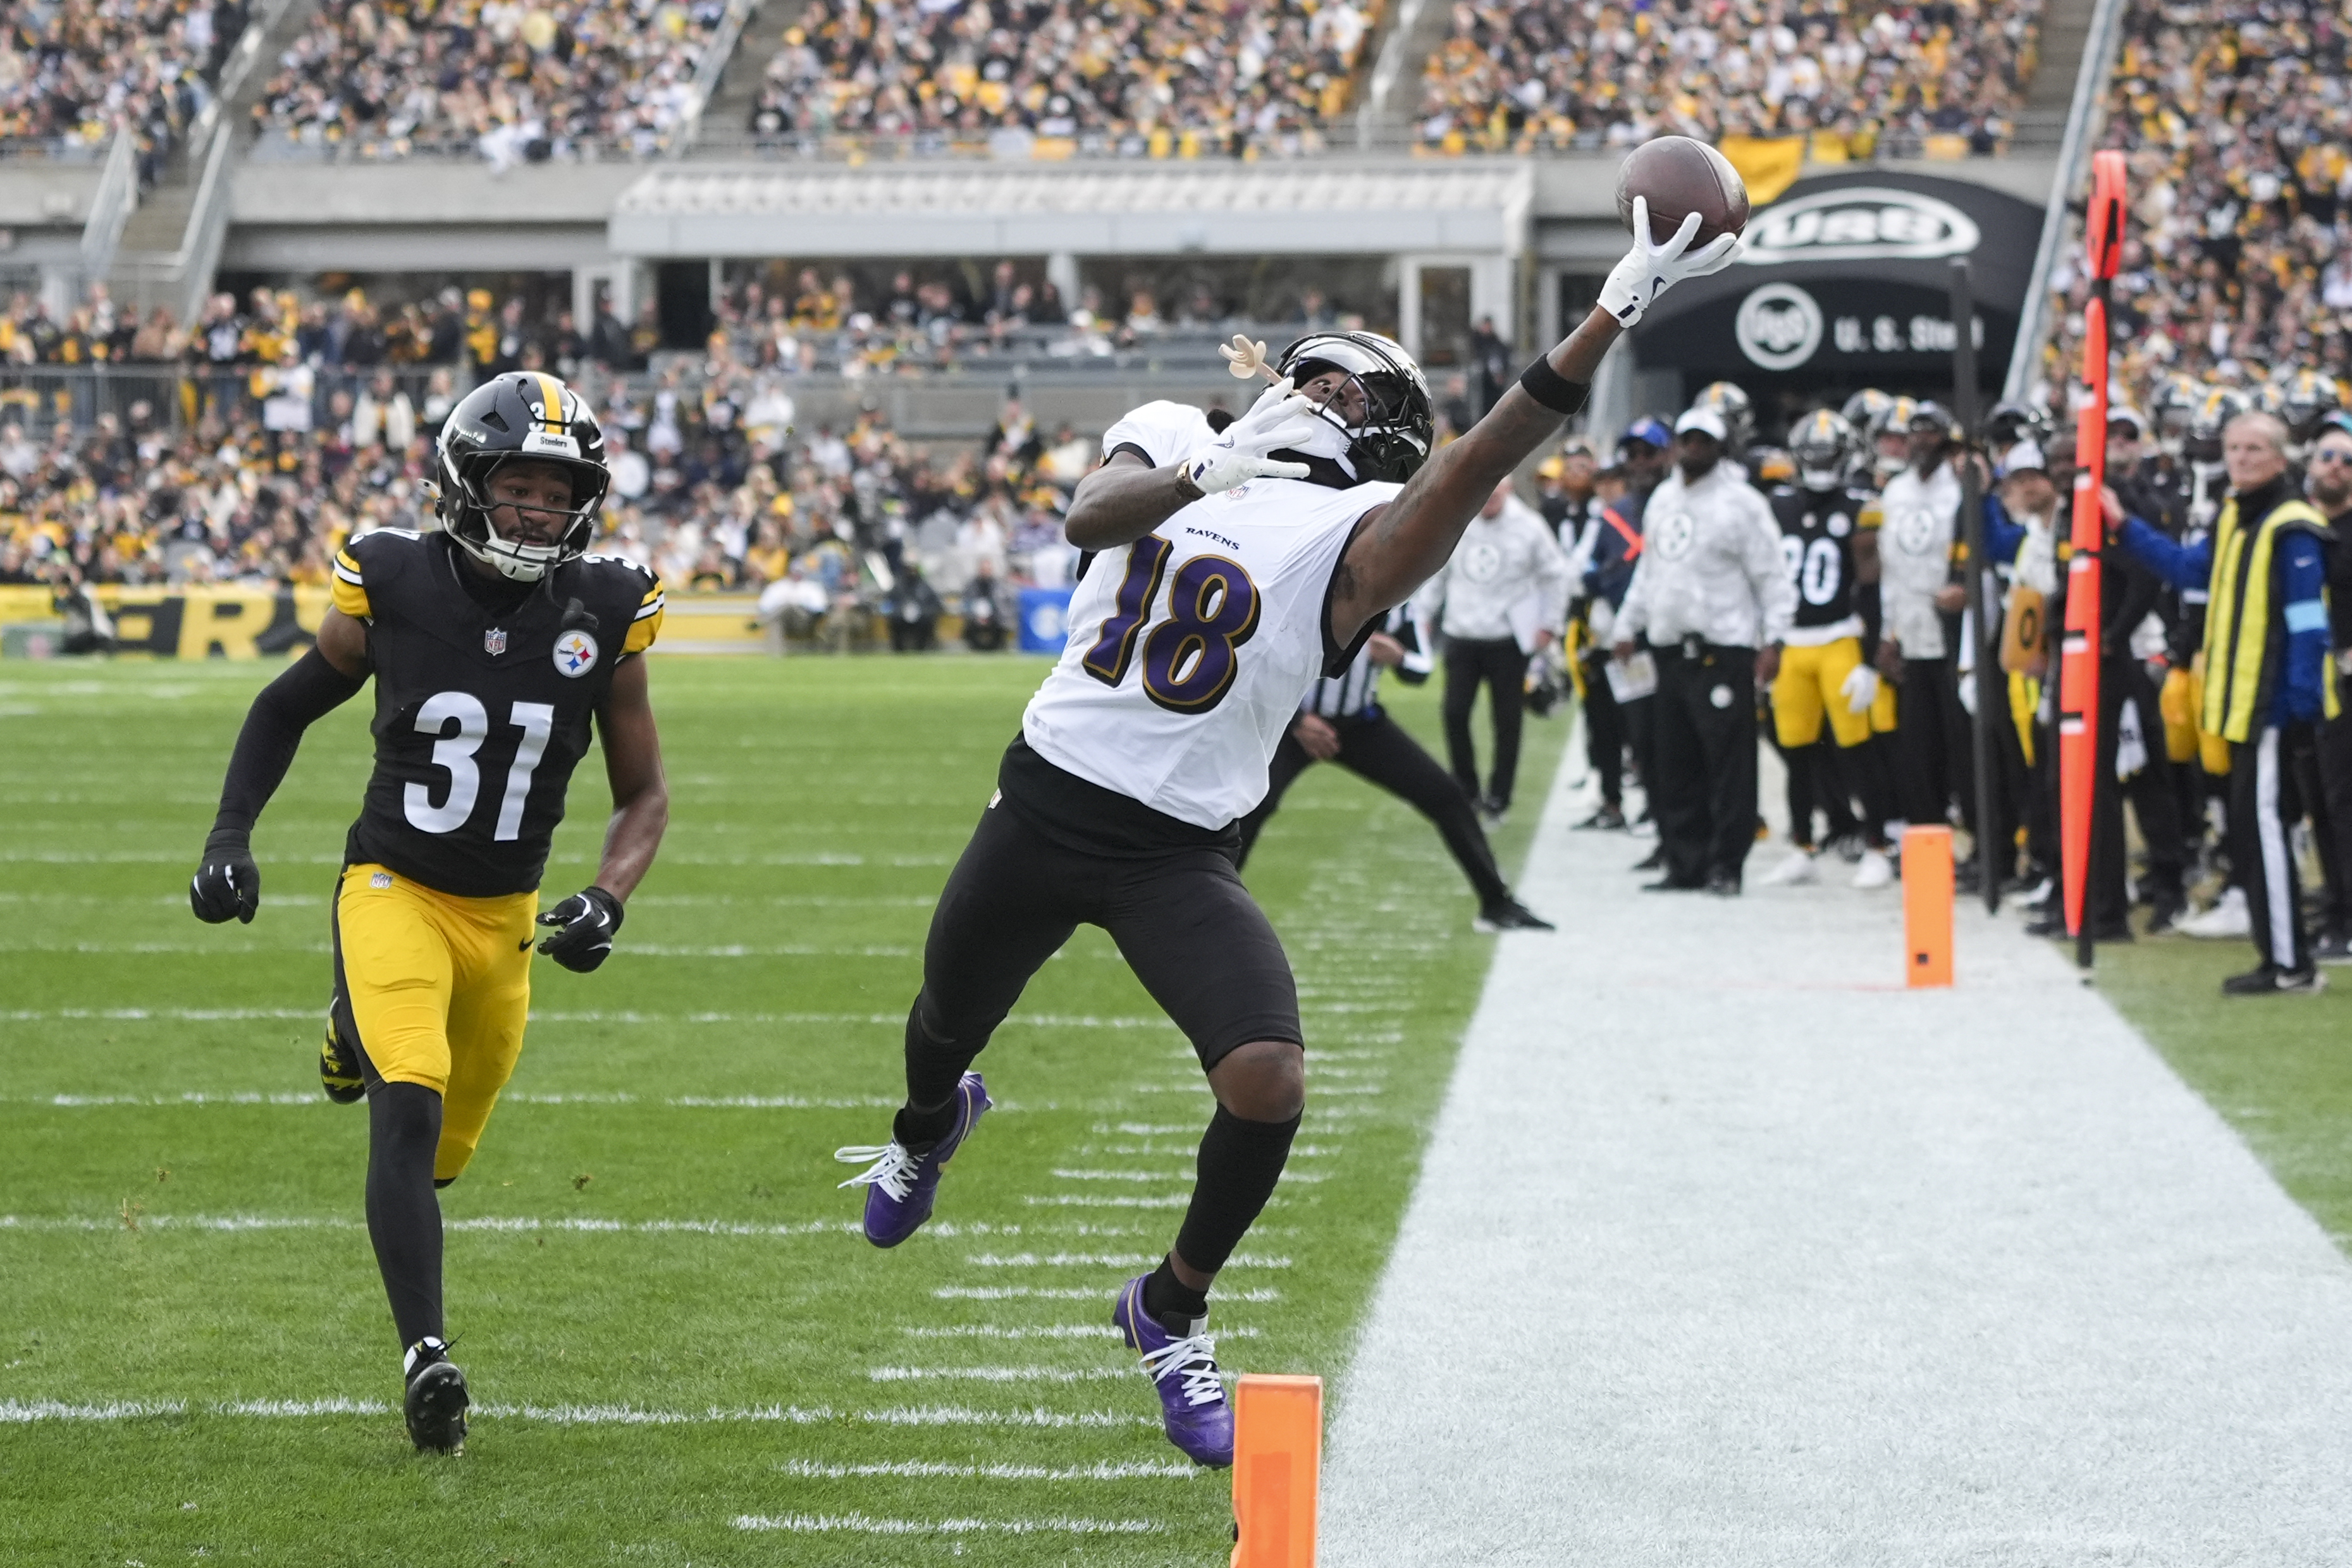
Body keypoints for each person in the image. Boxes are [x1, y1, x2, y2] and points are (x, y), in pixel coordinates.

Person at [830, 205, 1739, 1465]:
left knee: (1268, 1078)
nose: (1305, 388)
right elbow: (1090, 522)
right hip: (1043, 800)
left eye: (1335, 382)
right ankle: (927, 1129)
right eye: (1301, 370)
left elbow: (1481, 459)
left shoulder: (1353, 540)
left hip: (1174, 850)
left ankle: (1167, 1306)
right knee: (941, 1024)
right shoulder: (1178, 437)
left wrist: (1617, 303)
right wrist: (1210, 467)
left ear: (1381, 427)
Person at [187, 372, 671, 1452]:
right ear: (464, 482)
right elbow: (283, 707)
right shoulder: (392, 577)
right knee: (404, 1106)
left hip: (503, 918)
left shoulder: (606, 606)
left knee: (442, 1162)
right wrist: (230, 836)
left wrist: (606, 896)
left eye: (559, 495)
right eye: (519, 489)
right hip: (391, 888)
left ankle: (344, 1025)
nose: (540, 512)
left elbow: (643, 793)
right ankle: (427, 1362)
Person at [2107, 410, 2334, 994]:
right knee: (2248, 832)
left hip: (2270, 708)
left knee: (2264, 831)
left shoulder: (2293, 525)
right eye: (2234, 447)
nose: (2239, 458)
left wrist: (2299, 706)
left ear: (2280, 458)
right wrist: (2122, 525)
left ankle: (2289, 965)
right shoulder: (2233, 516)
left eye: (2254, 448)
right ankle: (2275, 953)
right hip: (2236, 706)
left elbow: (2310, 624)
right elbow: (2187, 568)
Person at [1236, 600, 1551, 932]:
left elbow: (1421, 668)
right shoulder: (1304, 590)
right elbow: (1253, 658)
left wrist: (1399, 658)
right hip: (1291, 726)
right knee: (1248, 807)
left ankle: (1496, 903)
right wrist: (1297, 720)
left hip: (1361, 724)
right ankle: (1207, 905)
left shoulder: (1396, 601)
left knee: (1446, 796)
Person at [1611, 405, 1794, 895]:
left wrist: (1774, 639)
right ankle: (1684, 861)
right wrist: (1626, 627)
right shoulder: (1663, 500)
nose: (1693, 449)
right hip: (1669, 647)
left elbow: (1771, 575)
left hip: (1723, 648)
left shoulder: (1742, 503)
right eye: (1686, 441)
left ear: (1719, 447)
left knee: (1729, 764)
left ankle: (1725, 864)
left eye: (1703, 442)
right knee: (1673, 761)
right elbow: (1649, 573)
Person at [1756, 409, 1901, 890]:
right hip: (1793, 643)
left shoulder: (1861, 505)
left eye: (1828, 454)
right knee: (1796, 753)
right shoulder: (1776, 504)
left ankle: (1878, 845)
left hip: (1839, 636)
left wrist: (1865, 658)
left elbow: (1871, 586)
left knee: (1858, 750)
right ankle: (1802, 846)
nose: (1820, 462)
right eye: (1813, 454)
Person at [1423, 477, 1572, 824]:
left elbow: (1556, 575)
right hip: (1462, 633)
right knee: (1454, 713)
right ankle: (1467, 789)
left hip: (1507, 639)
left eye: (1496, 490)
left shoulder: (1530, 527)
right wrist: (1425, 613)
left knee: (1507, 722)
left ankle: (1499, 797)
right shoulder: (1458, 518)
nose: (1489, 497)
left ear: (1508, 489)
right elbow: (1438, 570)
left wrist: (1549, 624)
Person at [1584, 419, 1672, 835]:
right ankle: (1656, 812)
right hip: (1630, 640)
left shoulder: (1676, 503)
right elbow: (1591, 570)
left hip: (1672, 637)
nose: (1639, 462)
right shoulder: (1614, 515)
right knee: (1641, 735)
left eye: (1647, 453)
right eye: (1632, 455)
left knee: (1675, 736)